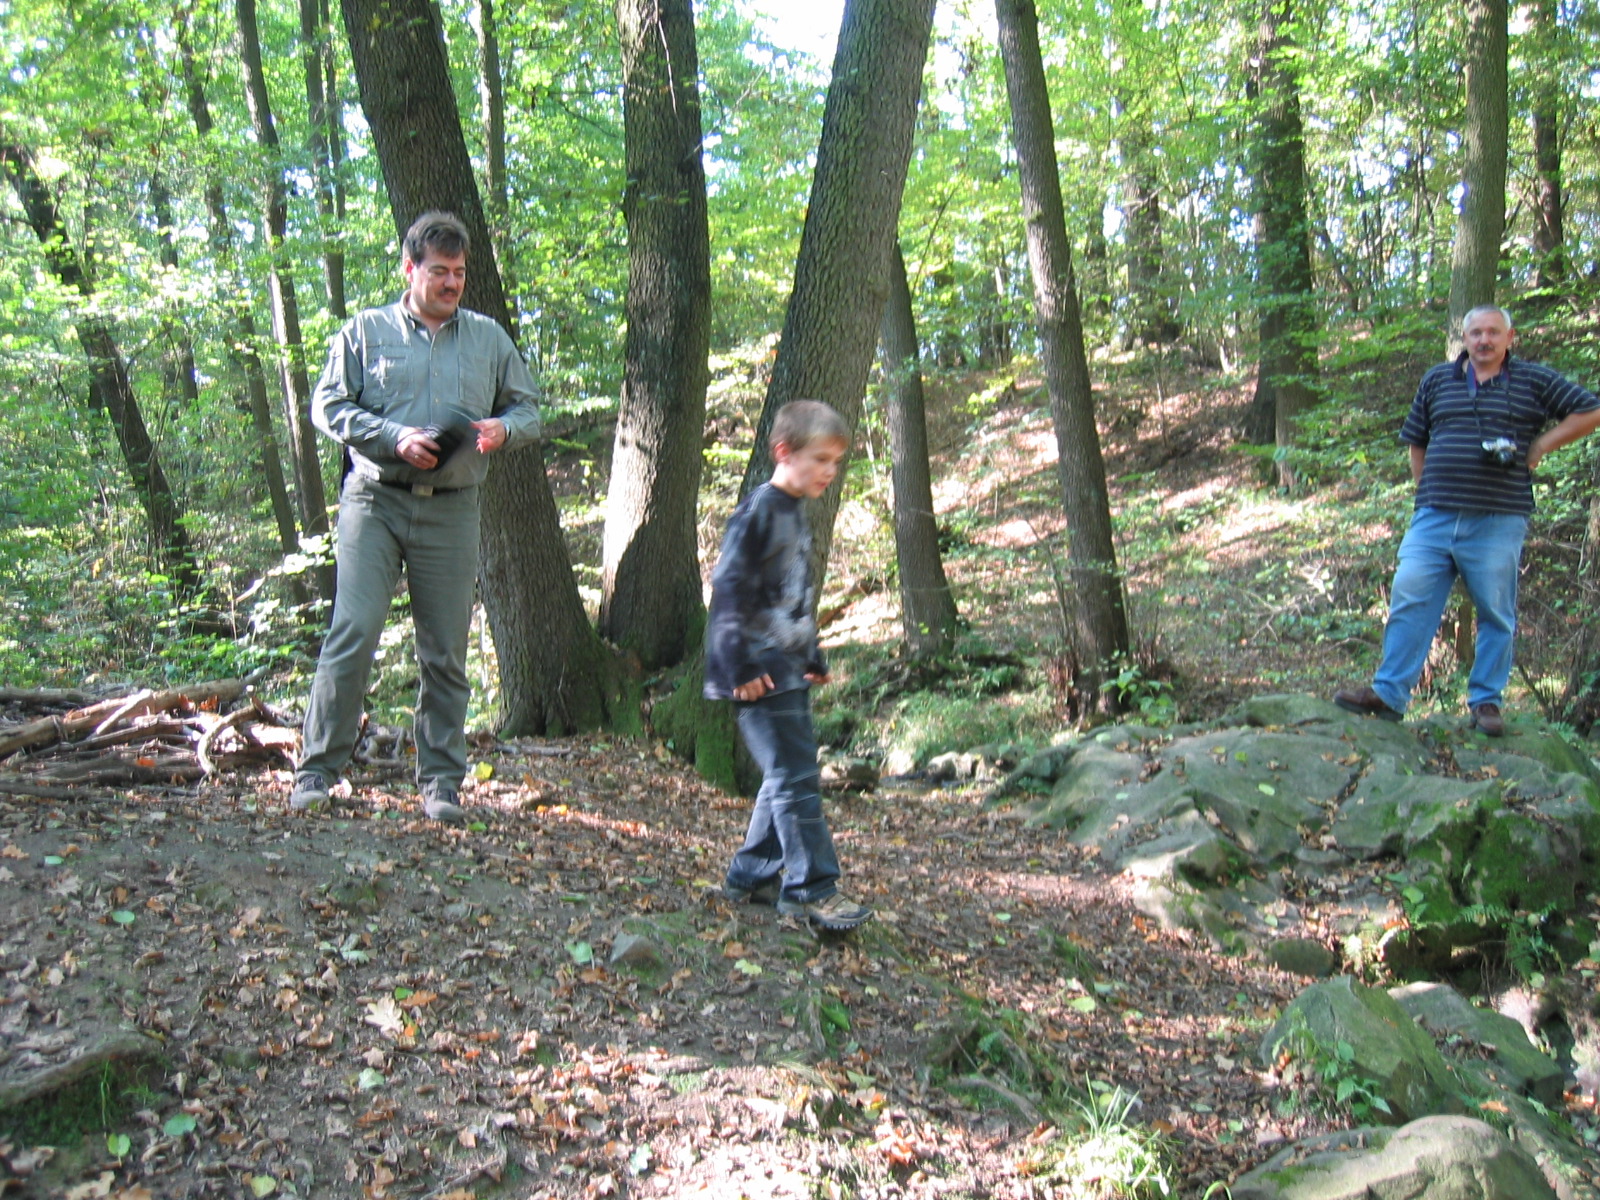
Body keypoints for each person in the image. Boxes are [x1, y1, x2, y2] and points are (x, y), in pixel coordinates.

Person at [289, 211, 542, 821]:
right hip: (374, 500)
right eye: (439, 272)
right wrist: (391, 437)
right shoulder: (366, 332)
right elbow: (326, 405)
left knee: (445, 647)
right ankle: (317, 772)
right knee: (353, 632)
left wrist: (501, 430)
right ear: (410, 269)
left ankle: (440, 785)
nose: (451, 283)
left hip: (453, 510)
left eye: (459, 273)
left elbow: (530, 410)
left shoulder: (488, 339)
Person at [1334, 305, 1600, 736]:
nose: (1484, 340)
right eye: (1475, 333)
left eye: (1493, 333)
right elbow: (1416, 441)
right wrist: (1425, 495)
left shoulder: (1534, 380)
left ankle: (1486, 702)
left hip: (1498, 517)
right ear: (1465, 337)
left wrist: (1539, 448)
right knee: (1410, 596)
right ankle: (1388, 695)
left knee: (1495, 612)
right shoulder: (1439, 379)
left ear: (1510, 338)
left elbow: (1590, 411)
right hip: (1435, 516)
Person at [704, 400, 874, 931]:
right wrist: (737, 666)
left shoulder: (793, 511)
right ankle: (811, 890)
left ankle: (751, 875)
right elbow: (728, 590)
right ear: (784, 452)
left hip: (785, 665)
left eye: (836, 462)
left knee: (786, 776)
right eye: (821, 458)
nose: (829, 471)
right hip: (756, 671)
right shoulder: (760, 509)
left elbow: (789, 597)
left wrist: (813, 654)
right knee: (796, 777)